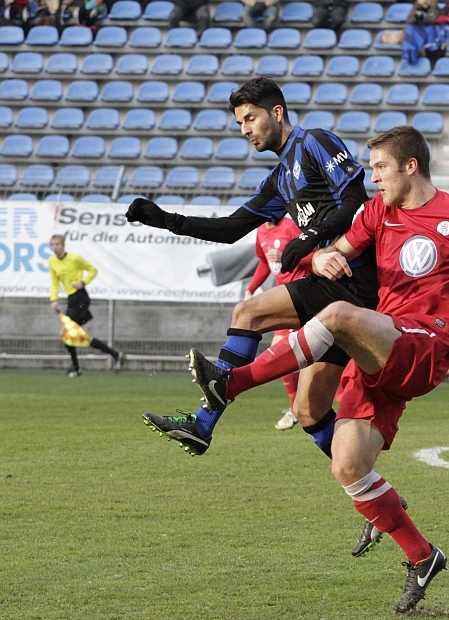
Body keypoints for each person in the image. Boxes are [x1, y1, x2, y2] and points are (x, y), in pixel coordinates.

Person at [183, 125, 449, 611]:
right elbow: (340, 251)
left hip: (426, 345)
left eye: (381, 168)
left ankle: (231, 385)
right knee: (348, 466)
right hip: (383, 349)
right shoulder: (376, 213)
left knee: (339, 317)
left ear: (411, 166)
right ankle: (423, 556)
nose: (373, 178)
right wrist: (325, 257)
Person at [128, 77, 374, 464]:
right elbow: (230, 229)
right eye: (240, 123)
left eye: (249, 119)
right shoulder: (279, 179)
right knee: (310, 410)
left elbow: (357, 200)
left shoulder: (316, 142)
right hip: (335, 287)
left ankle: (203, 423)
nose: (245, 130)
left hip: (354, 279)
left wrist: (310, 237)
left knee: (247, 313)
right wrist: (166, 219)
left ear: (276, 113)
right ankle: (374, 492)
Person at [244, 216, 315, 430]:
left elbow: (313, 257)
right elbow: (265, 262)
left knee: (306, 358)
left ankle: (305, 408)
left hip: (303, 296)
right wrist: (251, 288)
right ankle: (296, 408)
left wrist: (287, 256)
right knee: (282, 354)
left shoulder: (291, 226)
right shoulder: (261, 231)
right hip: (284, 299)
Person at [47, 234, 125, 377]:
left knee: (65, 332)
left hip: (81, 297)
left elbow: (93, 270)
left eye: (57, 244)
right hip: (72, 299)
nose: (55, 247)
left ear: (63, 245)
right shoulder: (52, 262)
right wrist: (54, 299)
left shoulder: (75, 258)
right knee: (85, 337)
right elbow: (54, 282)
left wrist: (82, 282)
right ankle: (116, 355)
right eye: (52, 245)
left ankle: (76, 368)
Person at [402, 0, 446, 66]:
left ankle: (424, 47)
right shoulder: (416, 7)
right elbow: (409, 20)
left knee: (429, 27)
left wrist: (422, 19)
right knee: (410, 27)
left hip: (432, 32)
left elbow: (433, 20)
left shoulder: (434, 8)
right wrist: (418, 7)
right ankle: (412, 50)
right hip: (419, 30)